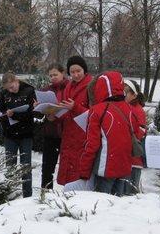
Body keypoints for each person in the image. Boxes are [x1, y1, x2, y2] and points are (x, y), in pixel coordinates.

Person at [79, 71, 136, 195]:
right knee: (116, 206)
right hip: (124, 167)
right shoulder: (128, 108)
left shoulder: (98, 110)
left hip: (105, 169)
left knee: (102, 206)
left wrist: (84, 171)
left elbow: (92, 144)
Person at [0, 72, 36, 197]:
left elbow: (32, 112)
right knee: (10, 166)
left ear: (16, 81)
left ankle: (27, 195)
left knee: (25, 166)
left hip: (26, 134)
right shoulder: (4, 94)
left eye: (12, 87)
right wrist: (6, 119)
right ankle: (9, 193)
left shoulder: (29, 91)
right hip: (10, 134)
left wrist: (15, 115)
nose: (11, 90)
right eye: (8, 88)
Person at [57, 56, 93, 186]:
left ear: (84, 70)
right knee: (67, 177)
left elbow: (95, 114)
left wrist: (75, 107)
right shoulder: (68, 87)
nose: (76, 74)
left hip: (82, 137)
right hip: (68, 136)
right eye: (72, 72)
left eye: (79, 71)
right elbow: (64, 111)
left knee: (79, 176)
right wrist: (52, 113)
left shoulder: (92, 86)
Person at [38, 63, 69, 189]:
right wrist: (39, 107)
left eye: (55, 74)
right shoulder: (46, 90)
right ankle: (45, 194)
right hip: (50, 133)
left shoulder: (69, 88)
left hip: (66, 133)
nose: (53, 77)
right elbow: (39, 114)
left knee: (67, 168)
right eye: (50, 75)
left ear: (63, 74)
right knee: (47, 168)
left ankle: (69, 195)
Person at [123, 79, 147, 194]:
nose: (122, 94)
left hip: (134, 159)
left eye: (125, 92)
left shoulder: (137, 111)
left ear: (134, 95)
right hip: (127, 158)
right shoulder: (127, 107)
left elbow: (139, 134)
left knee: (129, 192)